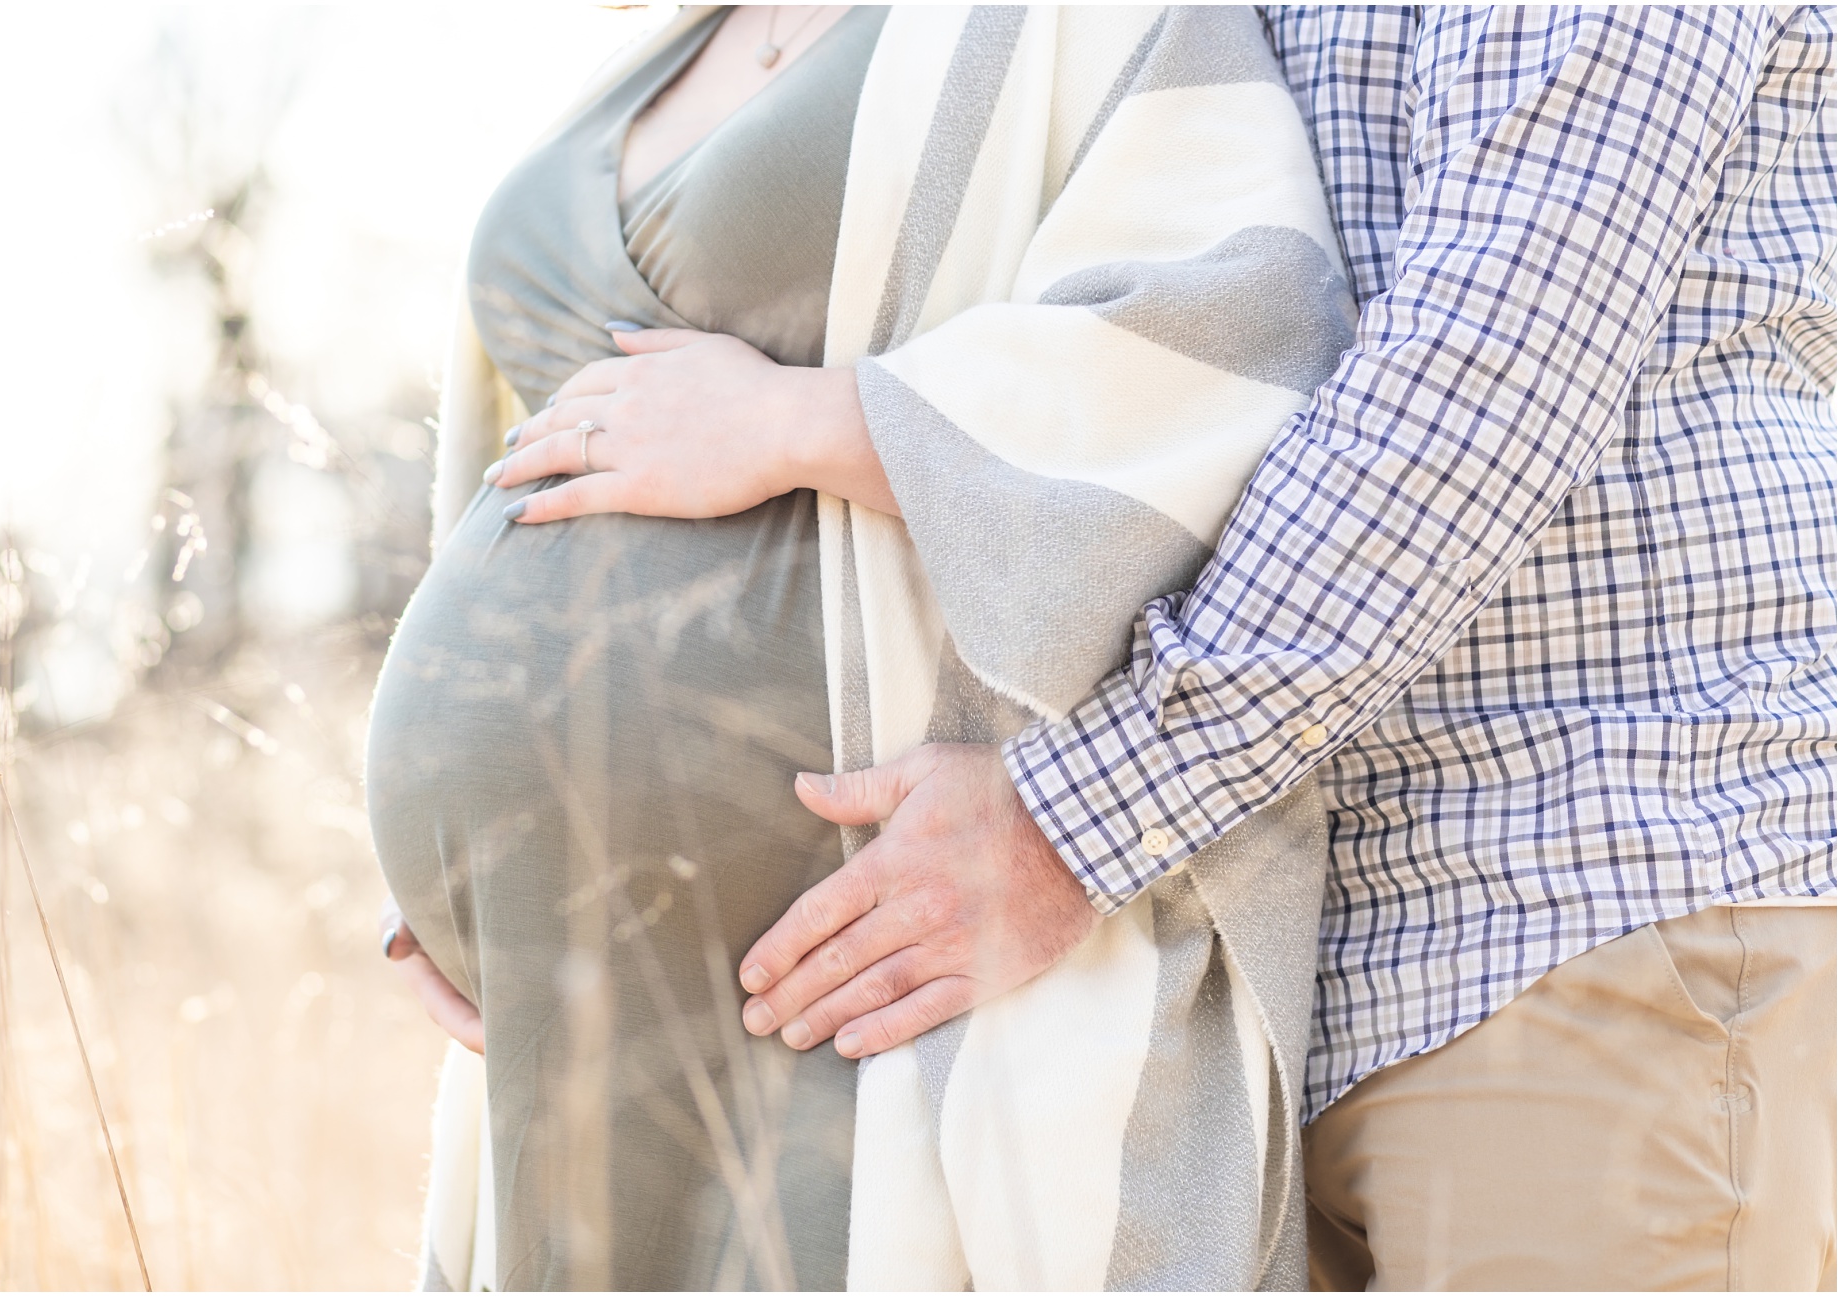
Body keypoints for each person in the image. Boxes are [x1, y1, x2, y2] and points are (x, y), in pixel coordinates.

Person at [724, 5, 1837, 1291]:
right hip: (1235, 955)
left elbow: (1479, 384)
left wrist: (1074, 820)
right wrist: (490, 861)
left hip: (1576, 882)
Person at [370, 5, 1354, 1290]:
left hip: (869, 972)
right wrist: (458, 849)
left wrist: (802, 420)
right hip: (576, 1005)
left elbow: (1244, 337)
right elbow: (541, 460)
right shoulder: (671, 42)